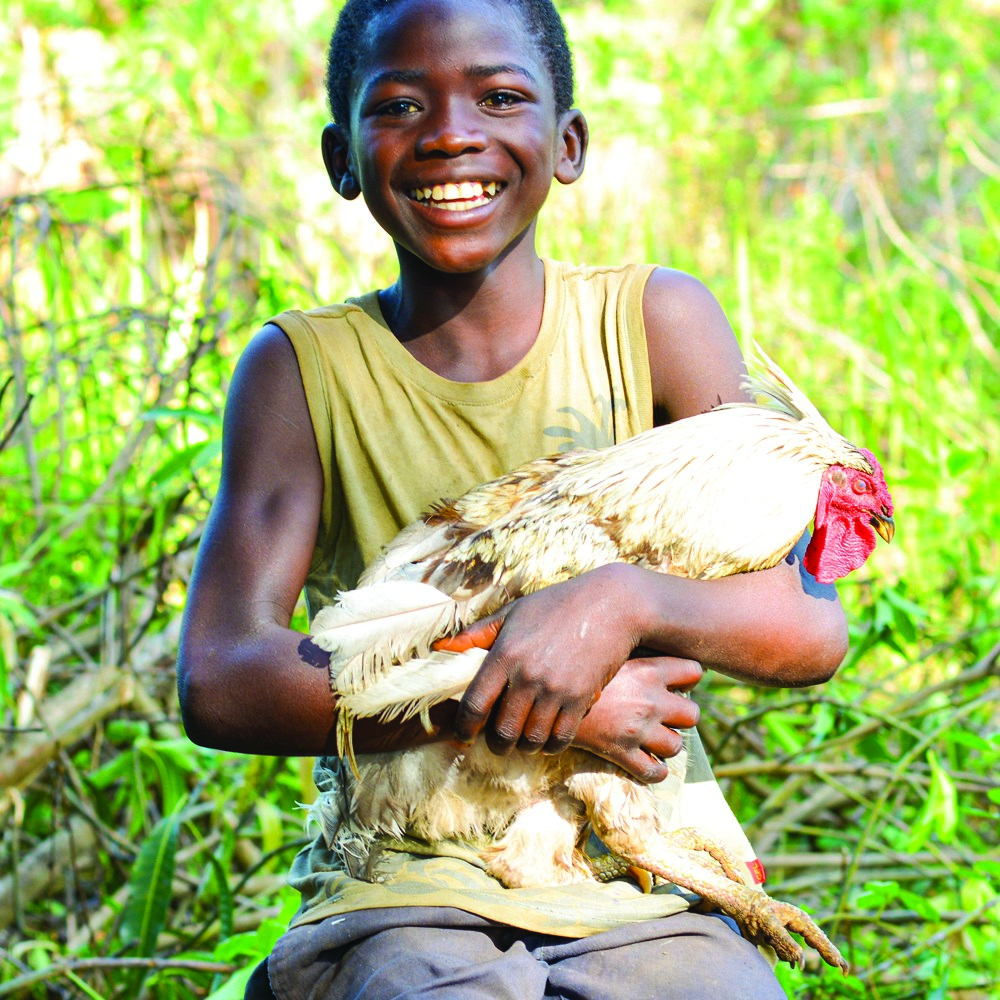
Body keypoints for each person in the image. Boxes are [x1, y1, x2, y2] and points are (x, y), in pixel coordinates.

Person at [177, 0, 849, 996]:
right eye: (402, 105)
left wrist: (621, 599)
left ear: (566, 142)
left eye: (498, 97)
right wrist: (525, 696)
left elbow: (805, 629)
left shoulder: (654, 320)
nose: (451, 132)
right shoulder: (299, 370)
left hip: (641, 875)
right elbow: (223, 677)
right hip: (402, 881)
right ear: (341, 158)